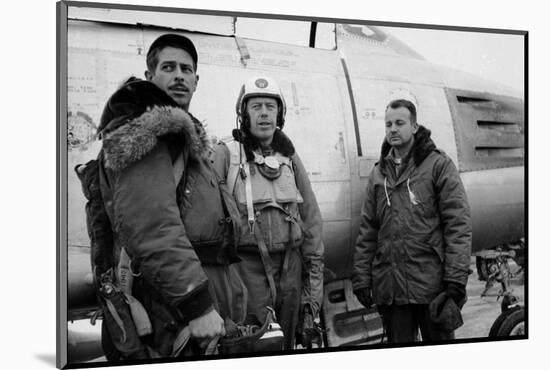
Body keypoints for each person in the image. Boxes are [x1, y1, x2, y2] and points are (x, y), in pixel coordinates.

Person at [76, 34, 247, 360]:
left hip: (189, 303)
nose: (179, 75)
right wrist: (197, 305)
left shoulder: (185, 141)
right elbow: (151, 225)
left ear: (197, 81)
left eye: (187, 69)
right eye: (169, 67)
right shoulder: (147, 132)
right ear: (150, 75)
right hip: (171, 312)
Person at [352, 99, 472, 343]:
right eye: (388, 124)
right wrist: (362, 278)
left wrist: (456, 278)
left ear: (415, 126)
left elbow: (458, 224)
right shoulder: (379, 174)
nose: (393, 129)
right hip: (392, 291)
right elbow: (368, 230)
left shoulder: (438, 165)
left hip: (432, 288)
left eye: (399, 123)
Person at [225, 76, 324, 349]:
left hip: (290, 271)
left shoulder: (290, 159)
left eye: (270, 106)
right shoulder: (227, 155)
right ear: (244, 114)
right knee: (254, 345)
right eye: (256, 107)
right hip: (247, 272)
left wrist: (312, 293)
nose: (264, 113)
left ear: (279, 113)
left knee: (288, 345)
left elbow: (312, 221)